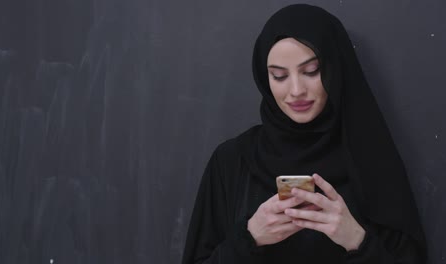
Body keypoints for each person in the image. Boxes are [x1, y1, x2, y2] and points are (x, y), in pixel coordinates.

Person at [181, 4, 426, 264]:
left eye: (311, 71)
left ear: (335, 68)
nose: (296, 90)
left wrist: (355, 239)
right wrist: (250, 237)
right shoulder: (232, 160)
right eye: (279, 76)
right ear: (265, 80)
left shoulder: (372, 159)